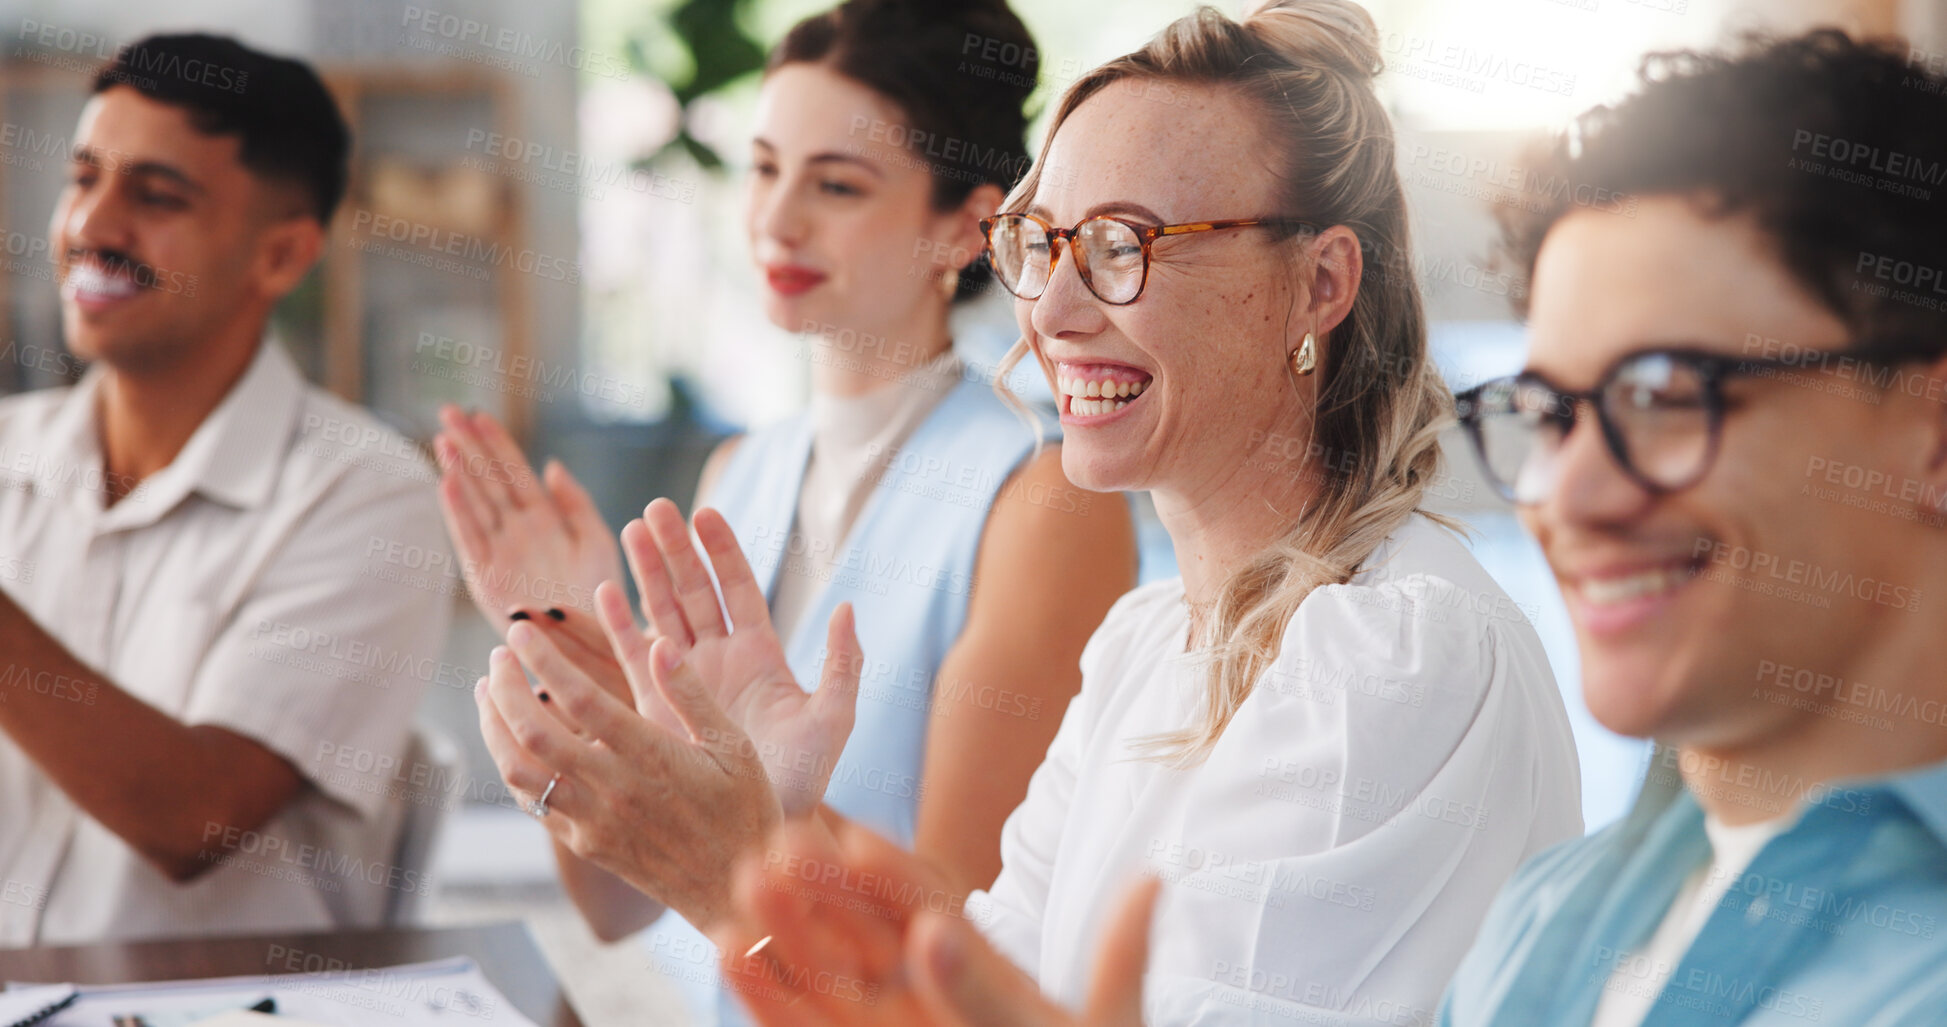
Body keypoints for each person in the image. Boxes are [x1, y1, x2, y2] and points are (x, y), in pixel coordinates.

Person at [479, 1, 1583, 1023]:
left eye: (1121, 247)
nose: (1050, 311)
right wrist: (777, 826)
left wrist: (733, 872)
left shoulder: (1392, 652)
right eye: (1043, 243)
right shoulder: (1147, 647)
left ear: (1321, 285)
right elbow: (980, 979)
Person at [860, 25, 1947, 1027]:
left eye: (1664, 395)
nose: (1566, 494)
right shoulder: (1567, 914)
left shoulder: (1402, 644)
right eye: (1550, 414)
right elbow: (987, 980)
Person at [440, 0, 1135, 1020]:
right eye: (764, 168)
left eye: (837, 184)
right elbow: (616, 903)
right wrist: (566, 644)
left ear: (963, 226)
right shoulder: (741, 475)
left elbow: (958, 934)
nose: (777, 219)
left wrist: (757, 818)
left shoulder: (1039, 494)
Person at [0, 35, 451, 945]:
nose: (94, 226)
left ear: (281, 257)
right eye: (83, 178)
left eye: (156, 196)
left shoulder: (370, 496)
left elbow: (191, 817)